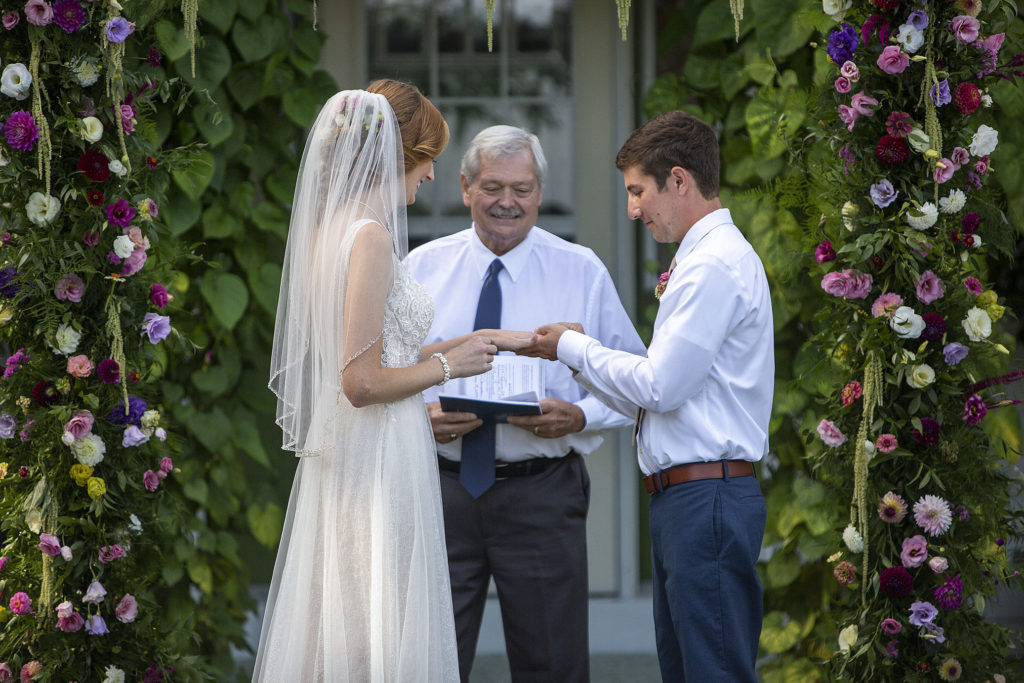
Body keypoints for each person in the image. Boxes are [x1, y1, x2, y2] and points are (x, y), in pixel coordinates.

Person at [255, 80, 529, 682]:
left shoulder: (332, 233)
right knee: (375, 618)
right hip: (376, 453)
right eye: (429, 156)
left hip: (359, 447)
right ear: (401, 154)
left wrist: (467, 344)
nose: (431, 175)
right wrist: (450, 369)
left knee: (355, 613)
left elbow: (382, 349)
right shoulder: (372, 239)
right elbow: (361, 381)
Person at [522, 110, 773, 681]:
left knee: (713, 671)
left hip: (705, 499)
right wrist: (582, 372)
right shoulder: (701, 259)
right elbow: (669, 391)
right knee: (688, 670)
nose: (633, 208)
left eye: (639, 191)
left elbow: (661, 386)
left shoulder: (713, 265)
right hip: (689, 499)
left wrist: (574, 349)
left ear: (679, 181)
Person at [404, 125, 646, 683]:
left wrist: (581, 415)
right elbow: (388, 376)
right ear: (465, 188)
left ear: (540, 191)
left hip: (542, 493)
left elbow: (636, 382)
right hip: (436, 491)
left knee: (552, 666)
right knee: (426, 661)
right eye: (492, 187)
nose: (507, 202)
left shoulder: (580, 269)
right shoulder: (420, 269)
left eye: (523, 188)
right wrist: (420, 420)